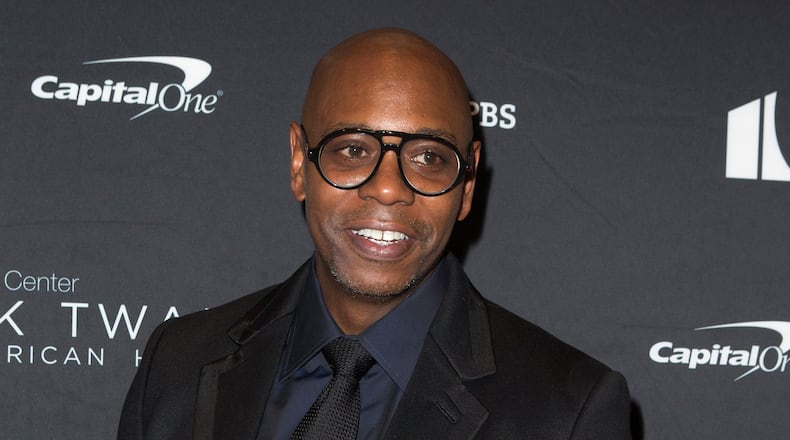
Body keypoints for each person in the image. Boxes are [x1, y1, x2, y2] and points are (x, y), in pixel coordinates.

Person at [118, 28, 631, 440]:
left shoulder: (567, 412)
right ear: (300, 163)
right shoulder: (178, 364)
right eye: (352, 149)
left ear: (467, 183)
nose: (388, 190)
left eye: (429, 158)